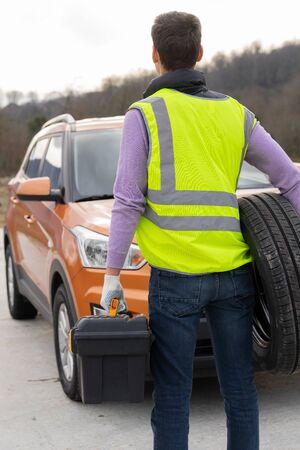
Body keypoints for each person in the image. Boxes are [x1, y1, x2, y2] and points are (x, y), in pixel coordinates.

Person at [100, 11, 300, 450]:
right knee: (240, 390)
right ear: (200, 53)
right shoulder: (236, 113)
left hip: (175, 281)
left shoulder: (145, 115)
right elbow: (290, 178)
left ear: (155, 55)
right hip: (234, 276)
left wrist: (112, 274)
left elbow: (128, 200)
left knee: (173, 396)